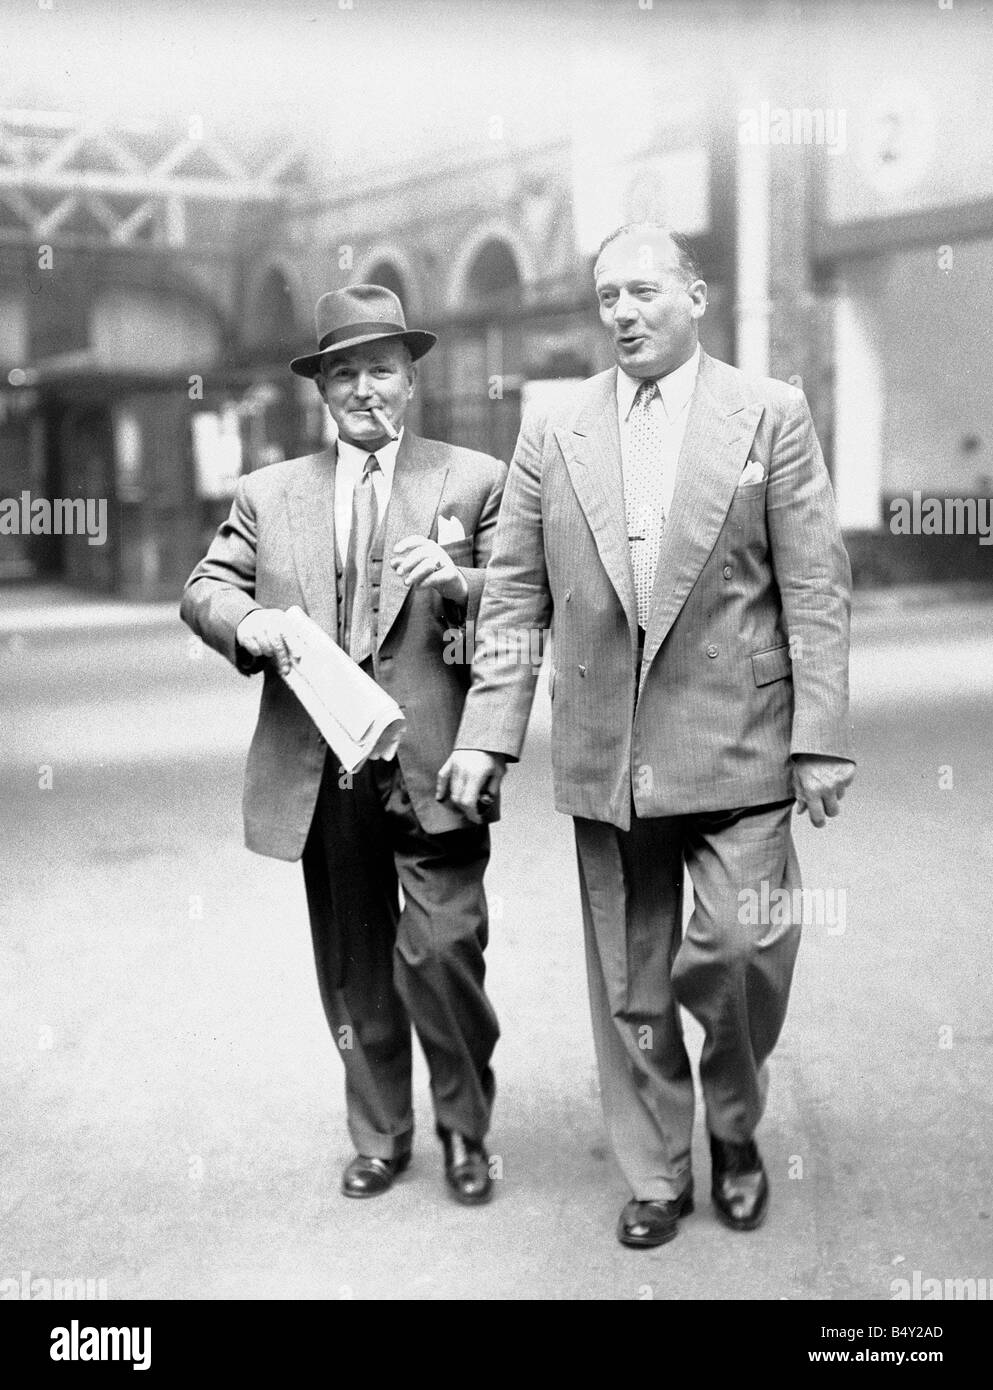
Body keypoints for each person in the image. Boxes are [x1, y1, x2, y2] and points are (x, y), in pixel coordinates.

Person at [438, 225, 855, 1246]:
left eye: (641, 291)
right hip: (607, 750)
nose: (621, 311)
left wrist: (820, 738)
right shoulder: (555, 431)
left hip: (742, 740)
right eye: (606, 297)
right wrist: (489, 735)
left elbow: (814, 586)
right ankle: (659, 1172)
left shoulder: (771, 416)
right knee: (634, 983)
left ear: (695, 297)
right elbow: (513, 601)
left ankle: (734, 1122)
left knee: (742, 948)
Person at [181, 284, 507, 1205]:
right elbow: (207, 586)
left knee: (443, 953)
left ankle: (464, 1127)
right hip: (324, 768)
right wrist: (246, 624)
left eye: (384, 371)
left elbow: (525, 597)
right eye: (346, 374)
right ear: (321, 390)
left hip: (435, 758)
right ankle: (381, 1132)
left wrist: (460, 579)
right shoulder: (268, 494)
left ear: (411, 381)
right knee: (353, 960)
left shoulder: (472, 480)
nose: (366, 390)